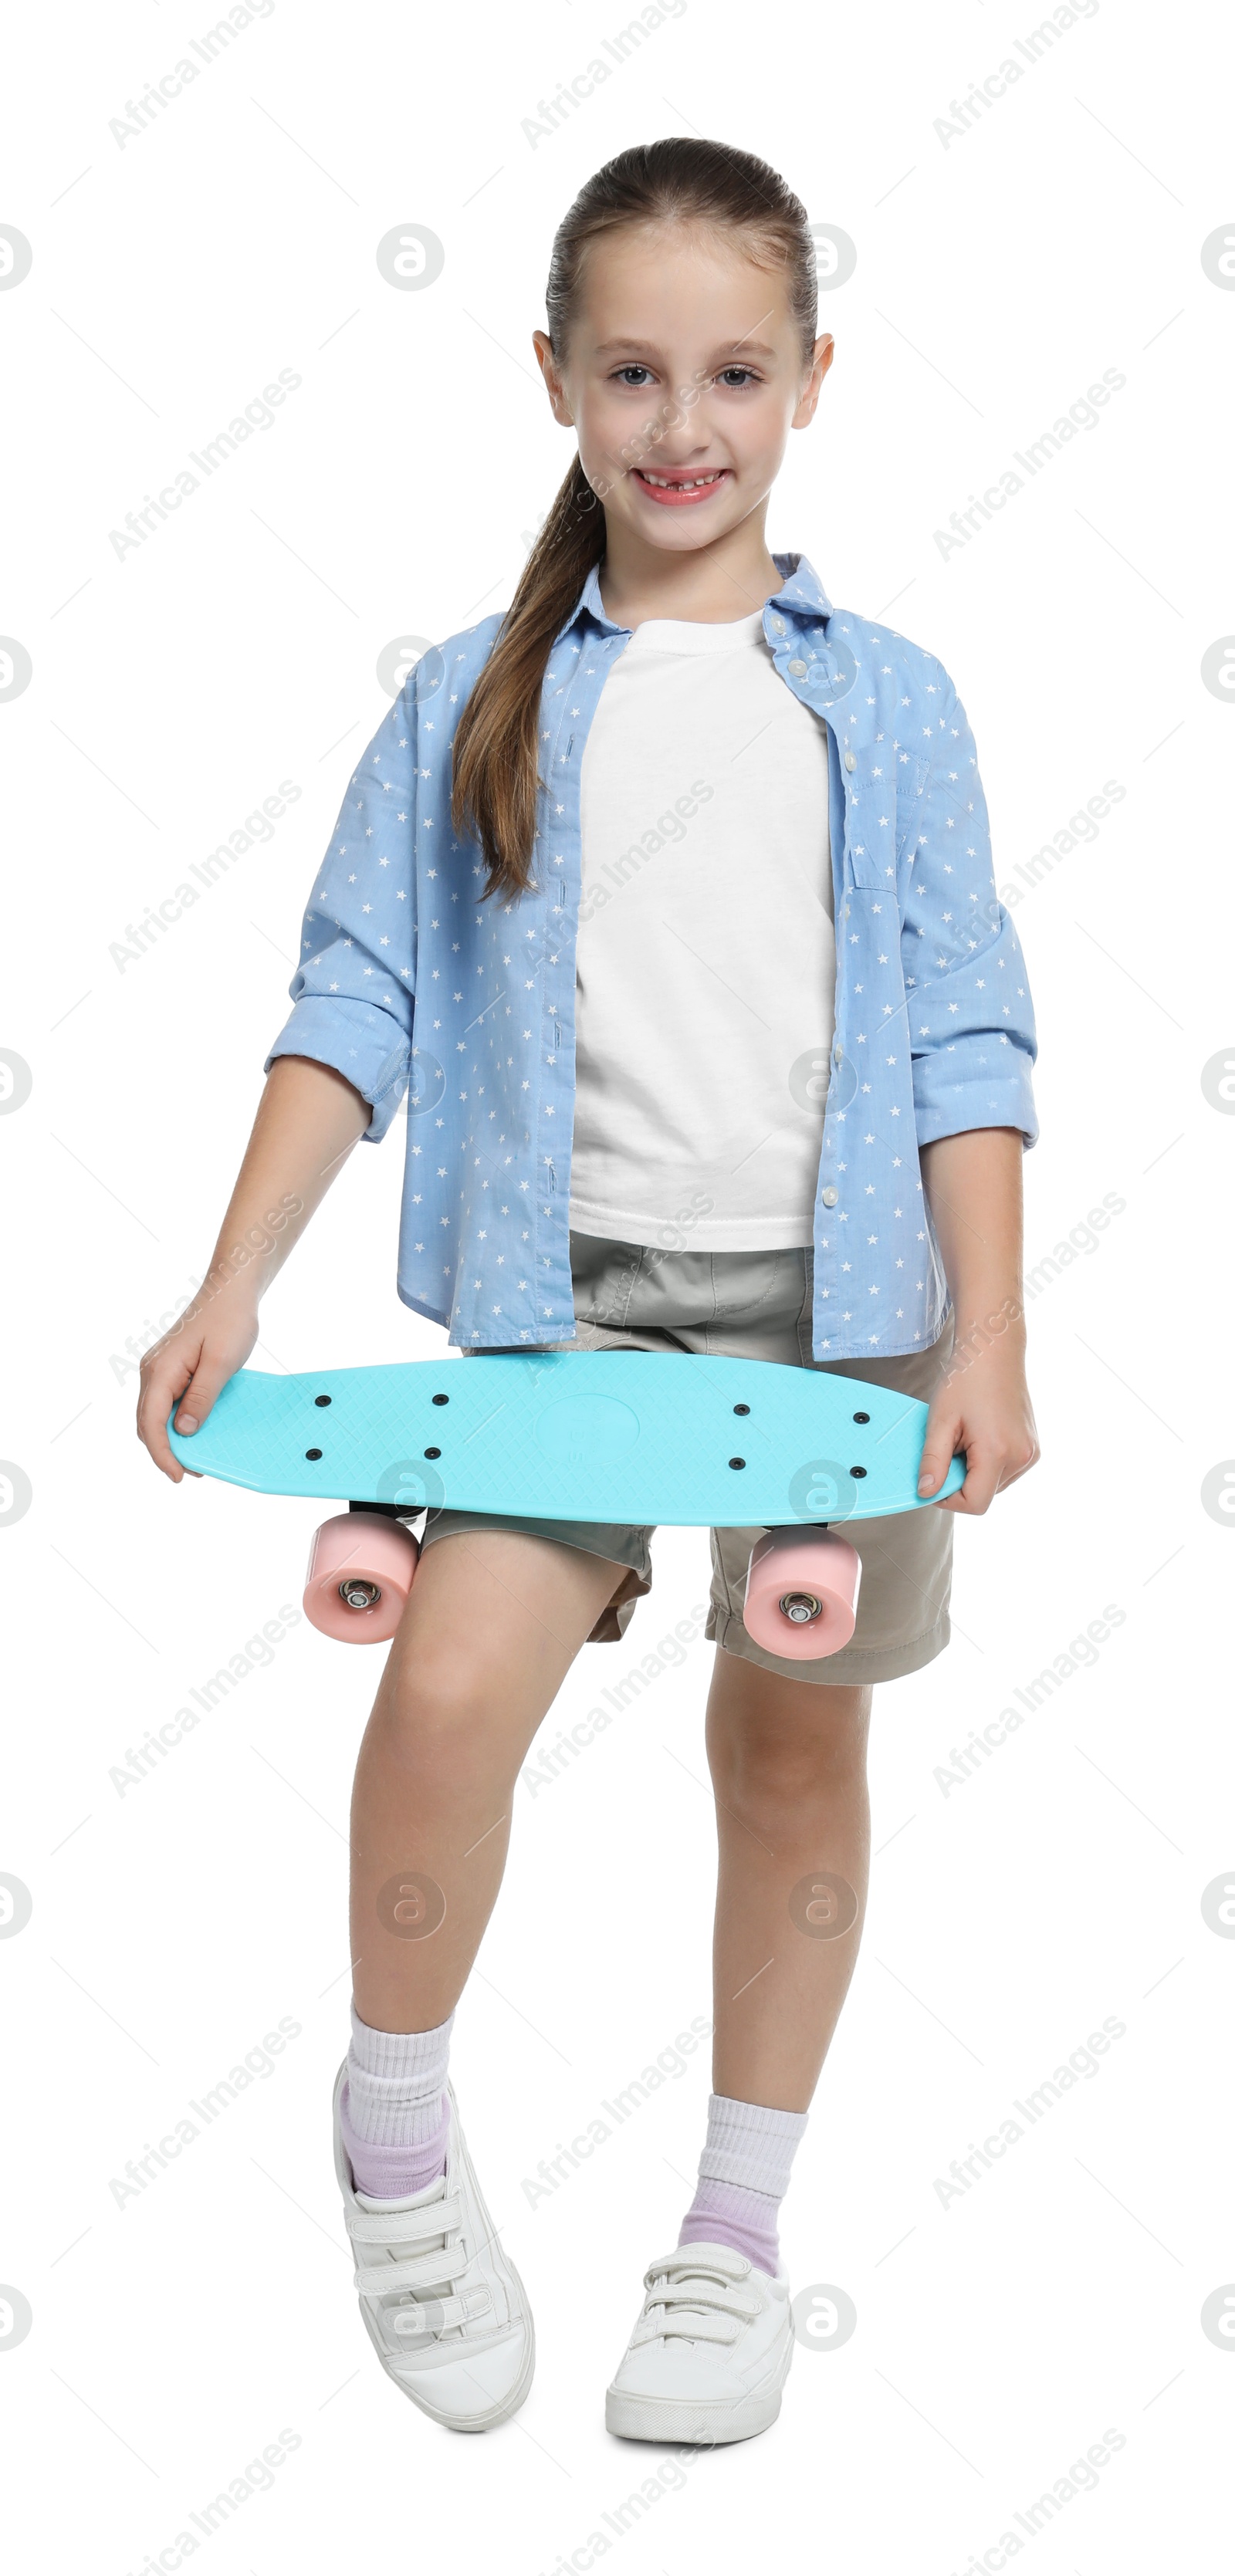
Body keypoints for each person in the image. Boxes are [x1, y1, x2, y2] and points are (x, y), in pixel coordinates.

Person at [137, 137, 1040, 2446]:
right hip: (573, 1310)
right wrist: (235, 1276)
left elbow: (964, 1027)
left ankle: (734, 2240)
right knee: (444, 1692)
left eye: (735, 369)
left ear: (813, 379)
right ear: (552, 376)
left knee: (791, 1736)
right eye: (631, 368)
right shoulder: (481, 691)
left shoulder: (896, 701)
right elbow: (356, 997)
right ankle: (401, 2136)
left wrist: (994, 1329)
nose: (682, 421)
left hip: (850, 1324)